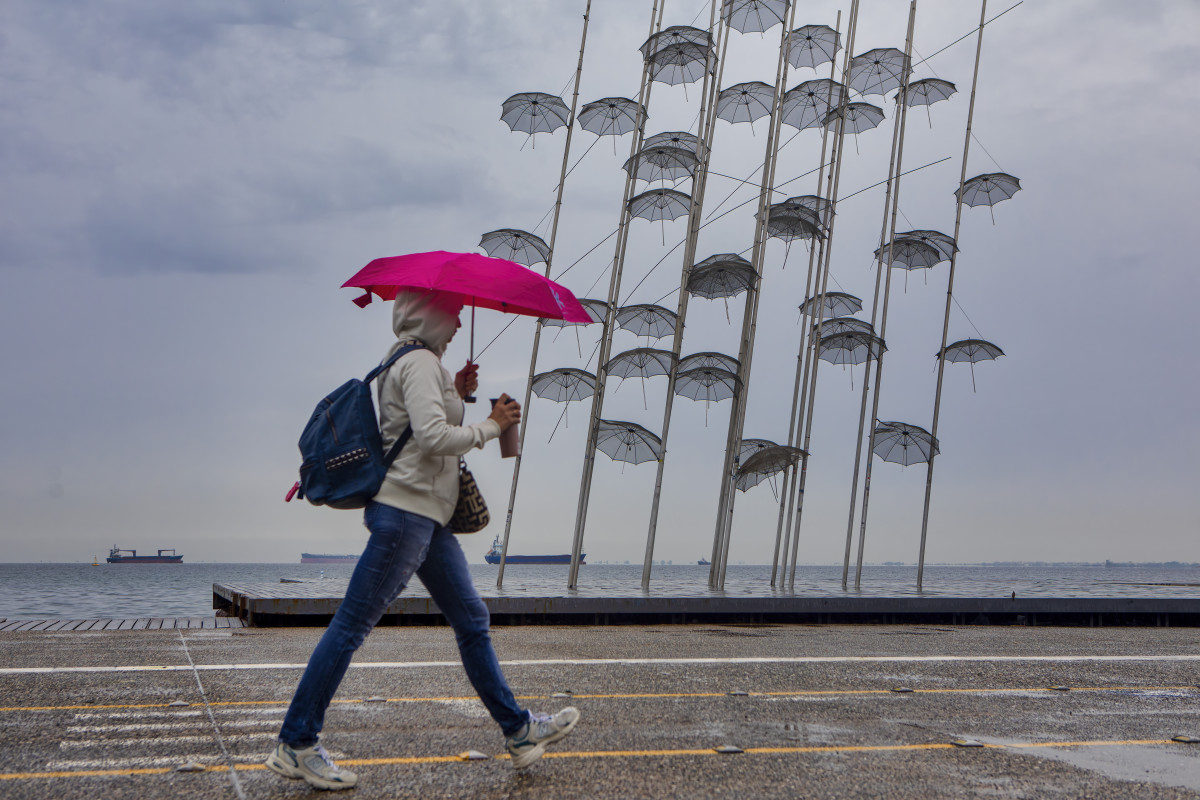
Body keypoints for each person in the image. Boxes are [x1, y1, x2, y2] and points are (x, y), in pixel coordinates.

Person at [265, 290, 579, 790]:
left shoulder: (415, 362)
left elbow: (422, 423)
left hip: (425, 520)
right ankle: (296, 742)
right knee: (350, 627)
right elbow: (433, 437)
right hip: (405, 516)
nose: (457, 323)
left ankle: (518, 732)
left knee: (472, 620)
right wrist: (492, 427)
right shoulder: (418, 364)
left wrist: (457, 390)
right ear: (430, 315)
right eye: (452, 314)